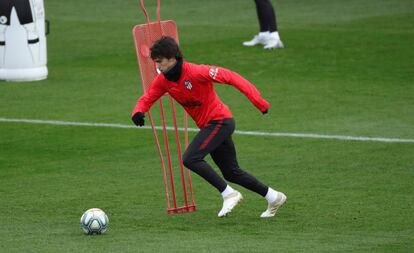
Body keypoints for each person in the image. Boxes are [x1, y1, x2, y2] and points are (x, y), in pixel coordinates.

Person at [131, 36, 286, 218]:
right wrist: (139, 111)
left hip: (220, 121)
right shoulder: (164, 80)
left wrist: (259, 102)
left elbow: (231, 77)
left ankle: (229, 194)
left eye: (160, 61)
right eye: (155, 62)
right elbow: (148, 97)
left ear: (172, 58)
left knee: (191, 158)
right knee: (231, 172)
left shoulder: (197, 72)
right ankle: (274, 197)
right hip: (210, 126)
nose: (157, 66)